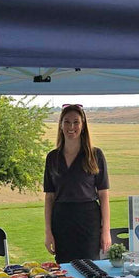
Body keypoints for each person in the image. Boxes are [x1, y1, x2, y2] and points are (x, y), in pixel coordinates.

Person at [44, 104, 111, 263]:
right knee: (64, 271)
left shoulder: (95, 155)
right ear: (60, 125)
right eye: (67, 122)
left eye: (76, 122)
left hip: (88, 221)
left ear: (83, 125)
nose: (71, 127)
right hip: (61, 221)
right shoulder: (53, 157)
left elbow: (103, 195)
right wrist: (48, 232)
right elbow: (49, 198)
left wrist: (106, 230)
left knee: (90, 269)